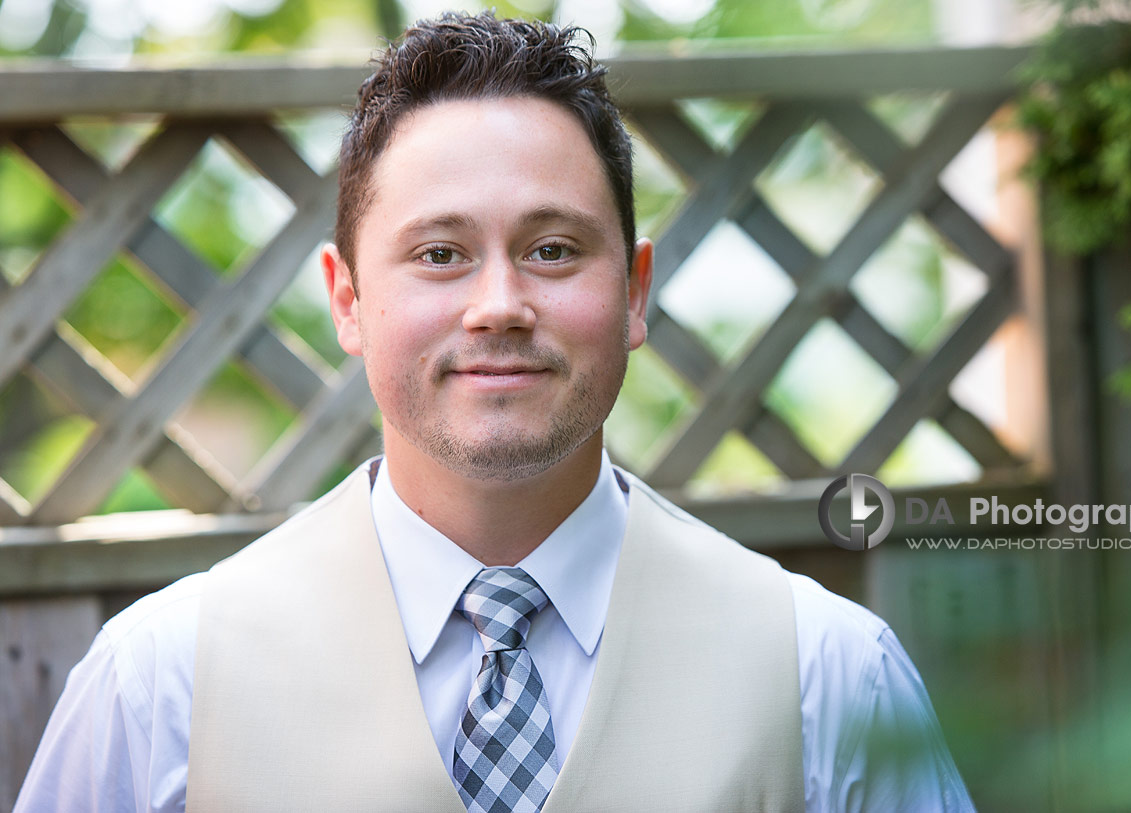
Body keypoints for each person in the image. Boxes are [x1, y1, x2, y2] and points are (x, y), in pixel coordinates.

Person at [16, 11, 974, 812]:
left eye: (554, 249)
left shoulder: (829, 675)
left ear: (635, 293)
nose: (500, 303)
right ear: (347, 300)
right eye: (440, 254)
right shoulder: (160, 687)